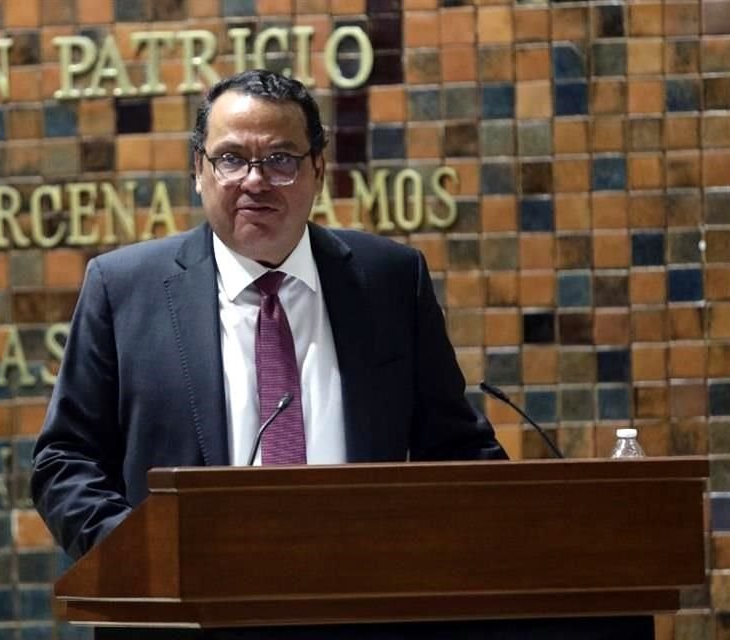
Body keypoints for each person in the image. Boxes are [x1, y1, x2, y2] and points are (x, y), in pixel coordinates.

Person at [31, 69, 507, 563]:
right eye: (231, 159)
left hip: (362, 599)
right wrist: (141, 555)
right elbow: (66, 461)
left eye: (280, 159)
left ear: (318, 169)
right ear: (199, 170)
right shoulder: (123, 288)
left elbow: (456, 450)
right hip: (188, 610)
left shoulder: (389, 281)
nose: (255, 181)